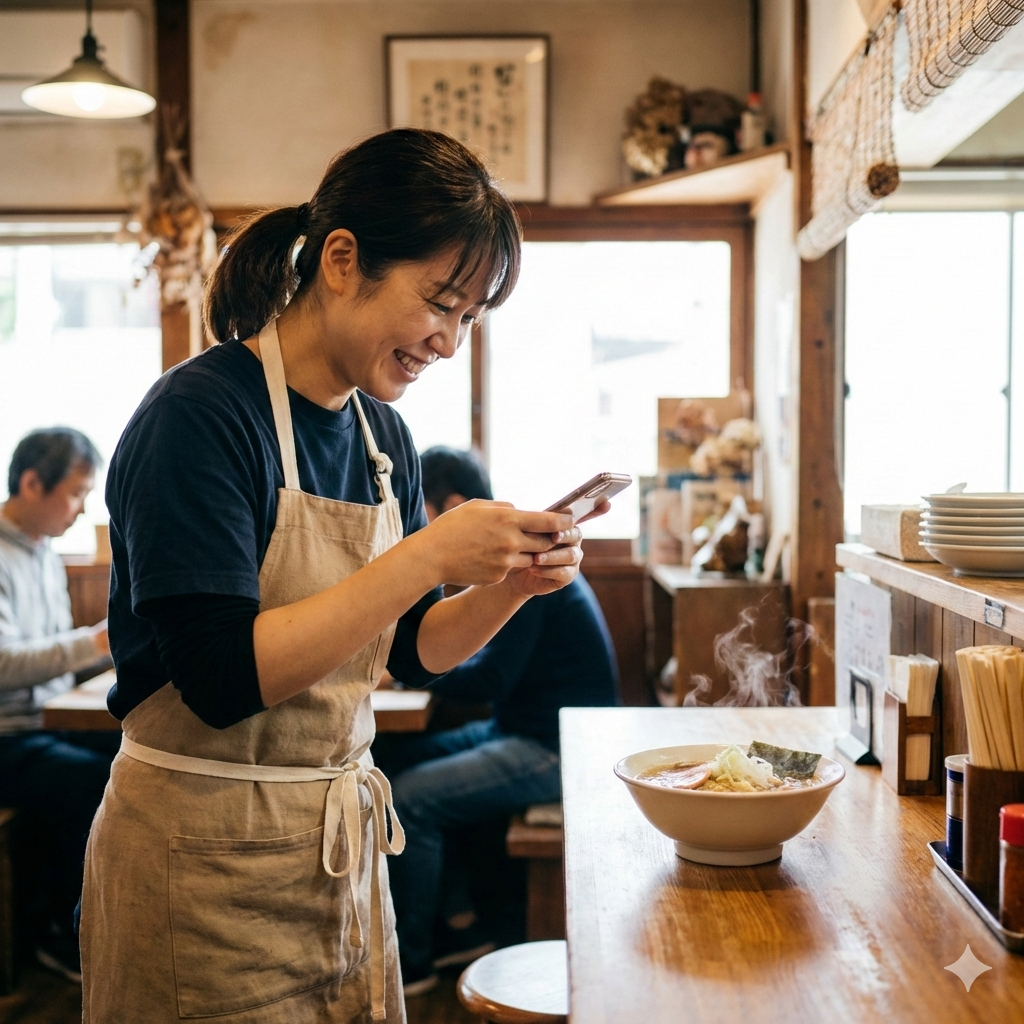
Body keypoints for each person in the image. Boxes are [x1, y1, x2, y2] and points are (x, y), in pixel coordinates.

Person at [80, 128, 608, 1024]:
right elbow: (218, 679)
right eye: (440, 301)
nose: (450, 340)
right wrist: (428, 555)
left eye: (472, 317)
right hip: (199, 863)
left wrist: (512, 586)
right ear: (341, 259)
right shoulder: (201, 415)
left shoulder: (381, 438)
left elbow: (412, 649)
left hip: (337, 859)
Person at [374, 447, 620, 994]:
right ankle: (457, 919)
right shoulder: (523, 570)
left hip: (556, 749)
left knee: (409, 798)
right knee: (394, 759)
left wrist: (401, 672)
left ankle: (412, 960)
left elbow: (489, 681)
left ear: (454, 506)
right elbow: (490, 672)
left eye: (426, 514)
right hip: (522, 730)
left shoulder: (535, 580)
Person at [0, 427, 114, 982]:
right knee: (92, 781)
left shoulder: (42, 553)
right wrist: (96, 642)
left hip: (42, 725)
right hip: (8, 736)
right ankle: (59, 931)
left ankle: (108, 924)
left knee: (131, 755)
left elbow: (54, 656)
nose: (80, 510)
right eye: (75, 494)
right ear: (29, 483)